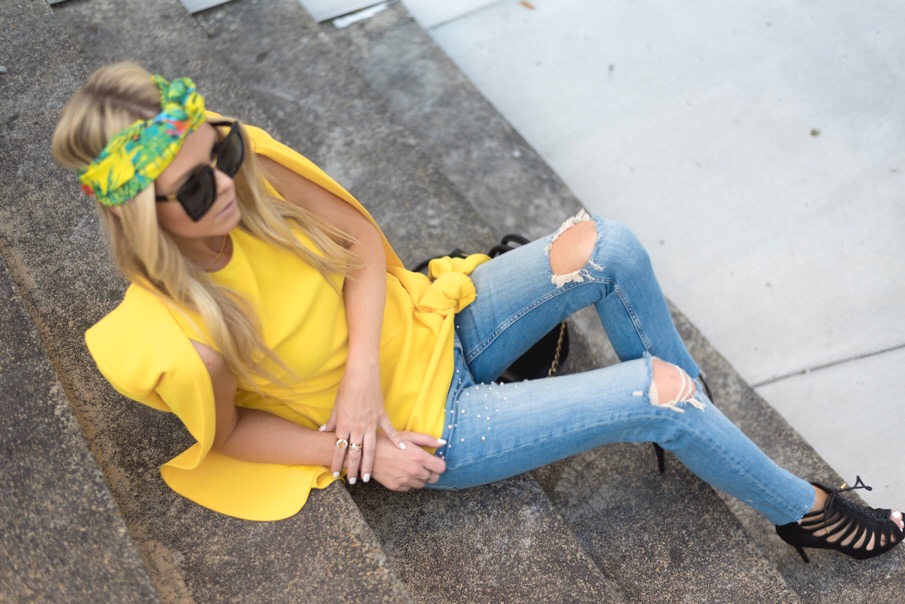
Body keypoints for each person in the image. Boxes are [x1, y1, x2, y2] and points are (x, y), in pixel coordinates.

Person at [52, 62, 902, 562]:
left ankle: (694, 424)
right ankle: (807, 515)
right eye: (197, 187)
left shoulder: (245, 176)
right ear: (141, 216)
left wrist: (354, 378)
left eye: (222, 154)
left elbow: (356, 242)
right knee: (655, 389)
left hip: (433, 319)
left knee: (609, 244)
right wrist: (362, 451)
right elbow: (231, 435)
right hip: (428, 425)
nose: (228, 184)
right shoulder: (169, 332)